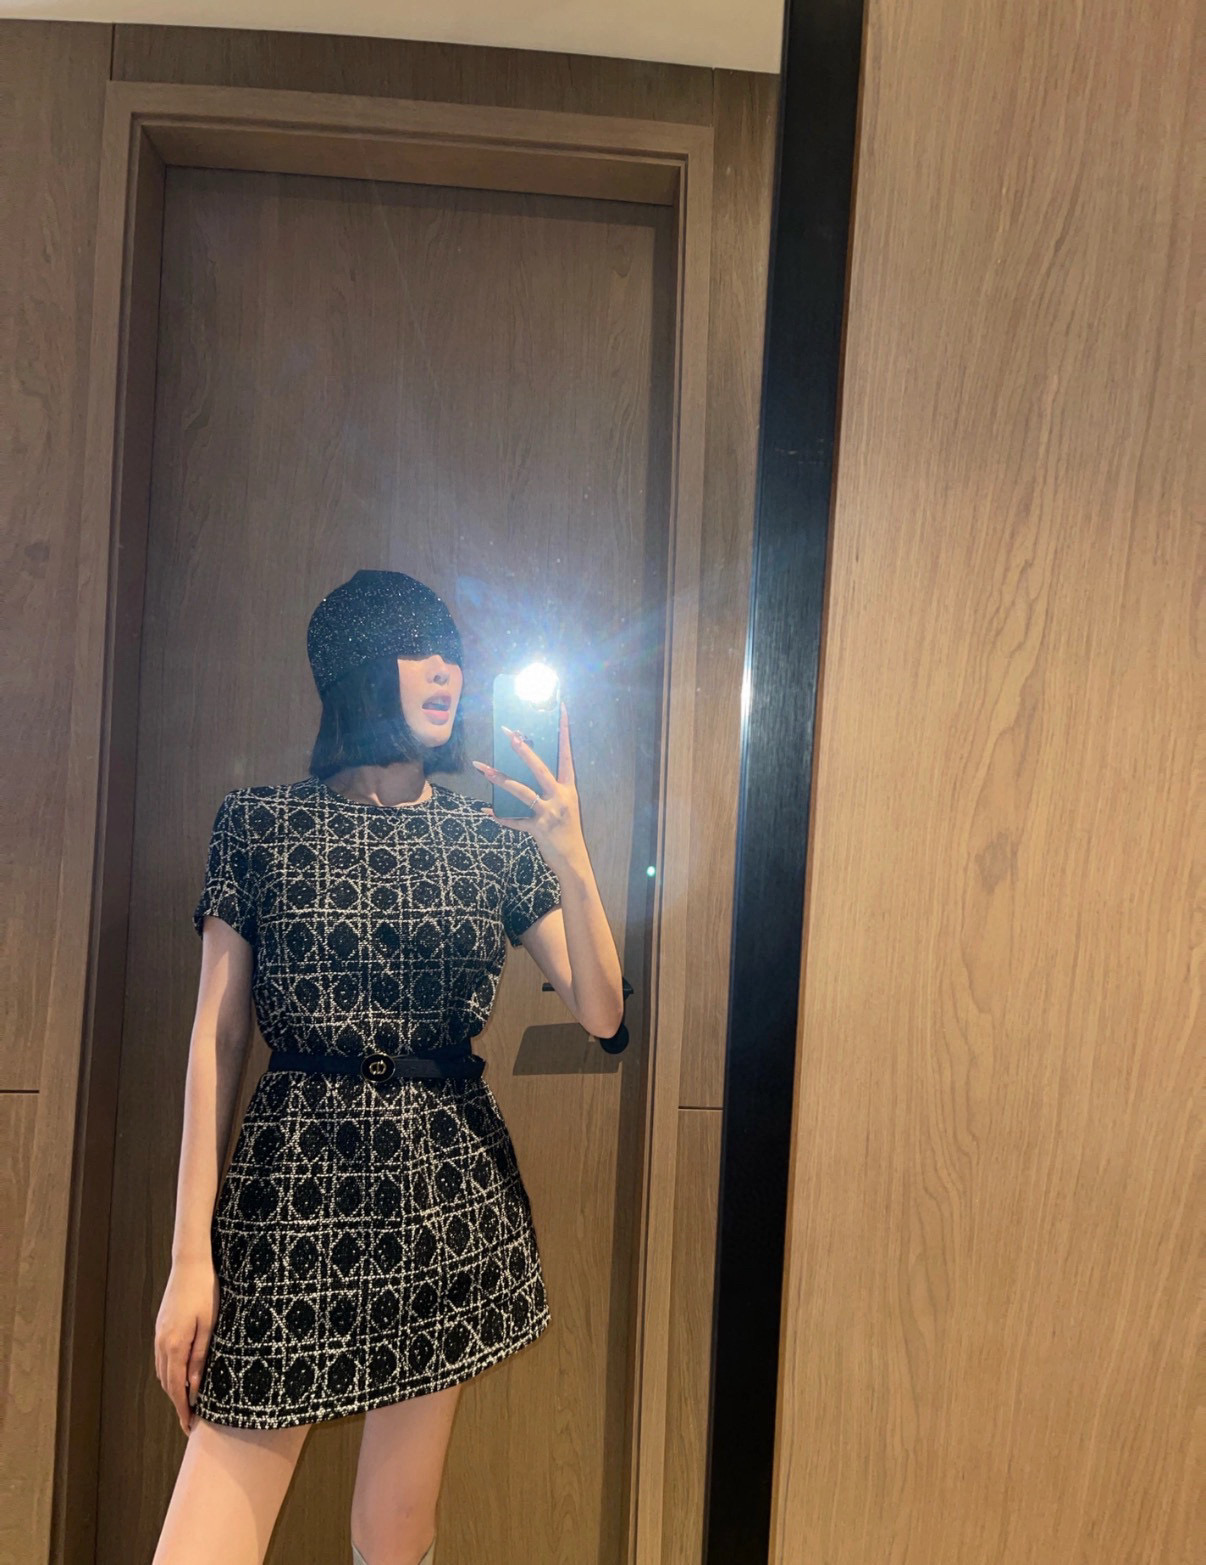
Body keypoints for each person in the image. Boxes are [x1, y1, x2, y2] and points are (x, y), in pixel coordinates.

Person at [151, 569, 625, 1565]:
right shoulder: (260, 822)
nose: (447, 668)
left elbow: (602, 1011)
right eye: (420, 646)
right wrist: (191, 1258)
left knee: (396, 1525)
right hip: (293, 1189)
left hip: (445, 1189)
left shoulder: (488, 839)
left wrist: (571, 853)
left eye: (453, 650)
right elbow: (216, 1039)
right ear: (360, 663)